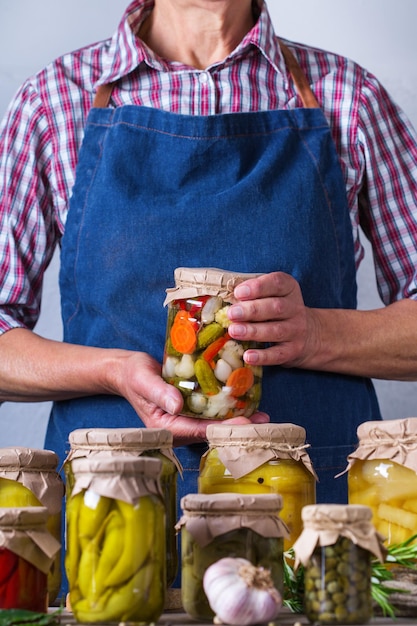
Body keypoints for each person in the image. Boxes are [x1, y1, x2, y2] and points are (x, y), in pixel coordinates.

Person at [0, 0, 417, 510]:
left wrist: (313, 334)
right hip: (110, 513)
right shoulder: (53, 102)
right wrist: (113, 370)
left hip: (312, 510)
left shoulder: (349, 98)